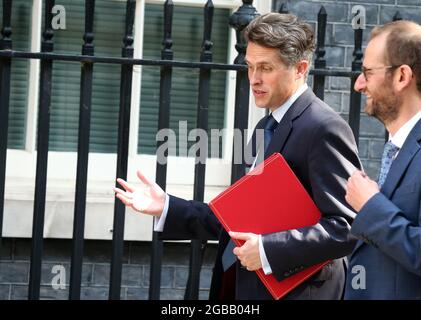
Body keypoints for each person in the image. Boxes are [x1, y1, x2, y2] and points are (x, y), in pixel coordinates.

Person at [115, 13, 361, 300]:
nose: (254, 79)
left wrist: (268, 250)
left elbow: (347, 228)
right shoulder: (266, 126)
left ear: (300, 68)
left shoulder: (324, 127)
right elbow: (242, 218)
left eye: (265, 68)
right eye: (250, 67)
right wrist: (167, 206)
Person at [344, 20, 421, 299]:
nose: (358, 84)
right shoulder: (398, 146)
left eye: (367, 72)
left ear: (402, 76)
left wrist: (370, 206)